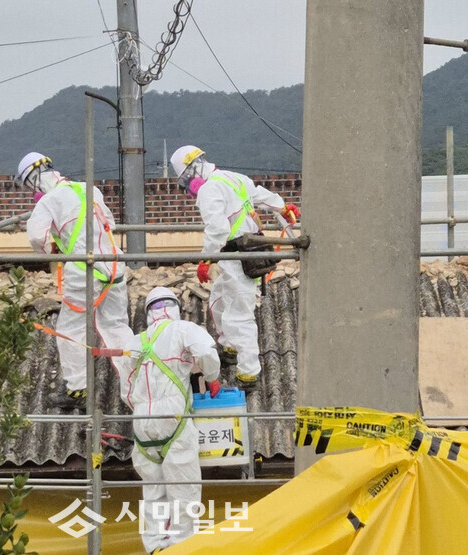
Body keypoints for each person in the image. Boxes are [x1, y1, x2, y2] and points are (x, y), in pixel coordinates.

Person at [170, 145, 300, 391]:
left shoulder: (209, 190)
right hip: (246, 253)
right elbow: (260, 194)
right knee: (218, 301)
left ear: (191, 172)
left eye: (185, 180)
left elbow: (218, 229)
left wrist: (206, 259)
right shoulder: (232, 177)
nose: (188, 187)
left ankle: (248, 374)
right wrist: (282, 207)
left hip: (236, 257)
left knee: (239, 317)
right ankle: (229, 348)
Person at [16, 151, 133, 409]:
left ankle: (77, 390)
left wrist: (52, 249)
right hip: (114, 266)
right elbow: (110, 224)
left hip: (84, 271)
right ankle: (137, 380)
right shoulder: (89, 189)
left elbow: (37, 237)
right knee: (116, 327)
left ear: (33, 180)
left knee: (71, 329)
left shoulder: (48, 201)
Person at [116, 287, 221, 554]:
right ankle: (181, 547)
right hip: (173, 416)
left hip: (143, 421)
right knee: (183, 487)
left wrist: (141, 408)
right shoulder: (183, 329)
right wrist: (211, 377)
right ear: (175, 308)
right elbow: (206, 351)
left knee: (153, 489)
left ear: (148, 313)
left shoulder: (135, 342)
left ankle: (155, 546)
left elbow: (126, 389)